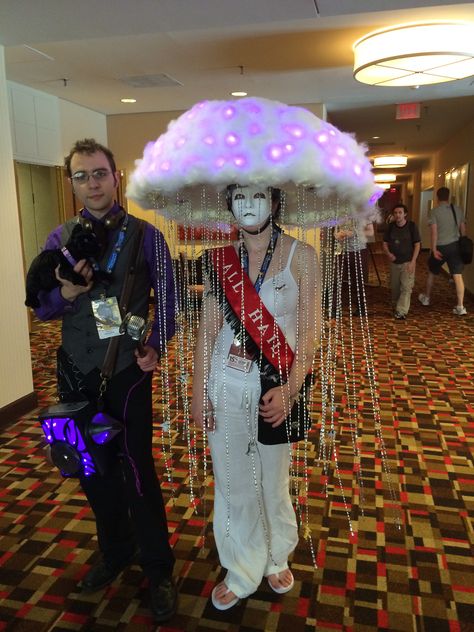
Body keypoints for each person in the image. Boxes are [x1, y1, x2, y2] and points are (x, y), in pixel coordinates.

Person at [30, 138, 177, 623]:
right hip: (73, 371)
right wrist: (68, 290)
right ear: (71, 182)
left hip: (126, 373)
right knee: (90, 471)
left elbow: (172, 306)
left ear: (117, 178)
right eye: (81, 175)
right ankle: (115, 551)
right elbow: (43, 307)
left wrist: (155, 344)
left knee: (137, 470)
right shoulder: (59, 238)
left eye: (99, 173)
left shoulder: (147, 235)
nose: (91, 183)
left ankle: (158, 568)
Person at [191, 184, 320, 610]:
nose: (248, 204)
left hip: (274, 385)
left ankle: (276, 553)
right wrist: (197, 392)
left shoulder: (303, 257)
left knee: (272, 477)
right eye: (239, 196)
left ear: (276, 200)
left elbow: (310, 332)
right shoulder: (218, 262)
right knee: (232, 479)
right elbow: (207, 331)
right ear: (228, 202)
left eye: (258, 194)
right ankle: (241, 565)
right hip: (224, 382)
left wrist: (291, 389)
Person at [418, 186, 467, 315]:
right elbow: (463, 230)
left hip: (441, 247)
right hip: (456, 246)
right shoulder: (458, 210)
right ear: (449, 196)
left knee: (432, 272)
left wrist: (433, 249)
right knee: (457, 275)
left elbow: (434, 232)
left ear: (437, 197)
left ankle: (426, 298)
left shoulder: (435, 212)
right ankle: (460, 306)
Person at [383, 204, 421, 320]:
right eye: (395, 213)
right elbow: (384, 243)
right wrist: (389, 254)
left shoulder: (411, 226)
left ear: (405, 214)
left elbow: (417, 245)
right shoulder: (391, 227)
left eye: (400, 212)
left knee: (406, 287)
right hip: (395, 263)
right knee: (395, 287)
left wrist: (413, 261)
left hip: (408, 262)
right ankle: (396, 305)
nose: (397, 215)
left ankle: (401, 311)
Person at [332, 220, 374, 317]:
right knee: (337, 280)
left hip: (358, 251)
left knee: (357, 281)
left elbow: (371, 232)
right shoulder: (340, 213)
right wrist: (338, 235)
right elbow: (335, 232)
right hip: (342, 251)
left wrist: (353, 233)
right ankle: (334, 308)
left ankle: (361, 308)